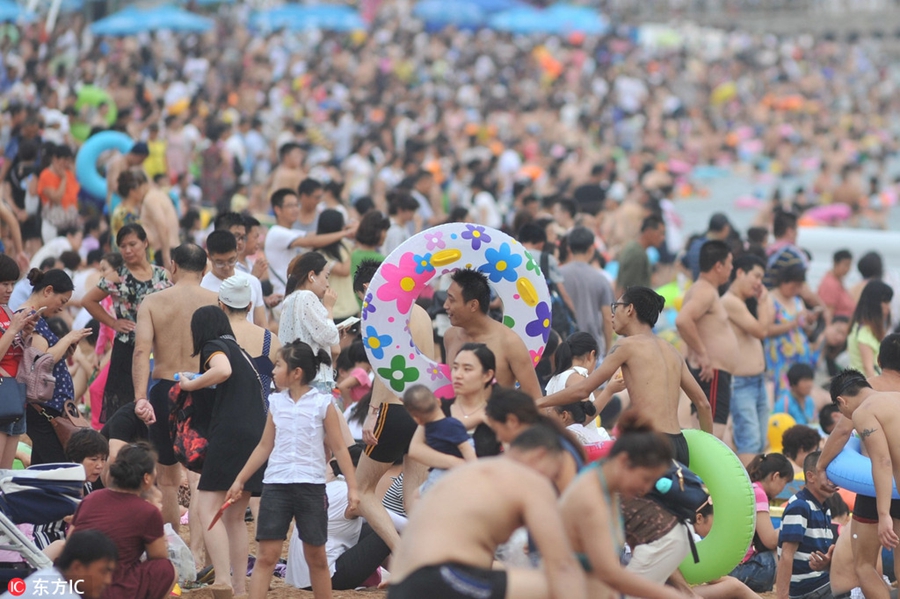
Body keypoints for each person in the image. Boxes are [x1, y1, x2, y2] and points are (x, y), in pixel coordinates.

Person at [386, 424, 588, 599]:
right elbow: (561, 566)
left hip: (402, 583)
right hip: (440, 579)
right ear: (541, 455)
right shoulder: (530, 480)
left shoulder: (472, 472)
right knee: (575, 583)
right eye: (558, 473)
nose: (554, 484)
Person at [225, 340, 359, 599]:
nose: (273, 371)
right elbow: (264, 446)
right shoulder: (276, 403)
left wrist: (353, 487)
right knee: (266, 556)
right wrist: (240, 479)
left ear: (296, 372)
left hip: (311, 487)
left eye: (278, 365)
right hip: (276, 486)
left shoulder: (322, 404)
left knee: (317, 557)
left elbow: (340, 449)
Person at [541, 286, 713, 465]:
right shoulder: (672, 351)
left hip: (650, 443)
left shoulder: (626, 346)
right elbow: (703, 404)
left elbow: (583, 390)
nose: (612, 315)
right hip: (679, 445)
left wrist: (539, 402)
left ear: (629, 309)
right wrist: (710, 450)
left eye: (615, 307)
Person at [179, 306, 267, 594]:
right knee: (234, 517)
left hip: (230, 434)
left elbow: (222, 370)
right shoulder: (239, 350)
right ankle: (240, 588)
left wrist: (191, 384)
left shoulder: (214, 346)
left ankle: (223, 579)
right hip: (255, 435)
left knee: (207, 508)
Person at [131, 243, 217, 529]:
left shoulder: (153, 302)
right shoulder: (217, 301)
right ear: (205, 270)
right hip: (205, 387)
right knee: (201, 477)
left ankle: (173, 547)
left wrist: (140, 397)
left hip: (165, 388)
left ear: (173, 266)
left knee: (167, 479)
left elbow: (141, 352)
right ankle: (199, 553)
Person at [349, 259, 433, 551]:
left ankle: (401, 553)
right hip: (423, 411)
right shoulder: (421, 312)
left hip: (393, 407)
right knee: (414, 499)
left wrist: (373, 413)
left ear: (365, 289)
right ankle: (424, 555)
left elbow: (387, 369)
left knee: (360, 492)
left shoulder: (382, 311)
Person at [557, 411, 686, 599]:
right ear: (624, 461)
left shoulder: (605, 483)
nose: (646, 488)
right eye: (646, 479)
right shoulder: (590, 498)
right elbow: (610, 574)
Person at [818, 337, 900, 599]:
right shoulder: (895, 399)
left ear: (842, 403)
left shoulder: (864, 411)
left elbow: (882, 461)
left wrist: (884, 513)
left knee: (864, 565)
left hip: (879, 490)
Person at [83, 224, 170, 423]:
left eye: (133, 244)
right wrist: (113, 323)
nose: (128, 250)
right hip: (127, 346)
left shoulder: (162, 275)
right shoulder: (118, 277)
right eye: (123, 246)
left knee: (156, 399)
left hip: (158, 346)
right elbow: (88, 300)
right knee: (123, 404)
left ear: (145, 243)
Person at [70, 442, 177, 599]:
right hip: (110, 590)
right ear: (147, 478)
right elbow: (159, 555)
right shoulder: (147, 511)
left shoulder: (90, 498)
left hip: (72, 585)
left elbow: (70, 541)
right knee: (166, 568)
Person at [22, 269, 92, 464]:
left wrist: (66, 351)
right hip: (41, 408)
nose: (62, 309)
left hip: (47, 407)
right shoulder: (30, 318)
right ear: (48, 291)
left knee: (42, 467)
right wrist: (68, 337)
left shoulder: (39, 319)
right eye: (62, 301)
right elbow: (42, 361)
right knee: (57, 465)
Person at [442, 269, 541, 398]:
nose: (445, 305)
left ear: (473, 305)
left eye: (452, 300)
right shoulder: (450, 336)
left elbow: (536, 399)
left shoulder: (510, 342)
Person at [676, 240, 738, 439]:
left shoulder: (704, 289)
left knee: (705, 433)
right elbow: (683, 320)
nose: (731, 269)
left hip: (714, 373)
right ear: (718, 266)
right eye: (729, 264)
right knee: (712, 437)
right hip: (712, 373)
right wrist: (703, 355)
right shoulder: (704, 290)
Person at [722, 253, 772, 464]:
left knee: (759, 441)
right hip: (741, 383)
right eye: (756, 277)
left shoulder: (742, 303)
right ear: (740, 273)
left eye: (762, 279)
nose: (759, 284)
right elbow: (762, 330)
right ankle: (750, 493)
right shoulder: (730, 302)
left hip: (756, 381)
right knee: (749, 442)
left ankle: (757, 490)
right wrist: (764, 300)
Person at [264, 188, 354, 297]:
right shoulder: (276, 232)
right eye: (290, 206)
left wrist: (340, 229)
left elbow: (314, 235)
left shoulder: (290, 232)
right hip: (282, 295)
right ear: (277, 209)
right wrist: (345, 233)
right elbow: (312, 241)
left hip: (290, 294)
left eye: (297, 205)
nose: (295, 209)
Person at [33, 428, 108, 551]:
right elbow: (42, 530)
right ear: (76, 459)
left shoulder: (87, 486)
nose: (99, 465)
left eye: (103, 459)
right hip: (46, 542)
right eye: (94, 459)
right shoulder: (61, 486)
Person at [775, 451, 837, 599]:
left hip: (820, 581)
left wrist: (828, 564)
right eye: (828, 475)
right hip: (807, 587)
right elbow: (786, 554)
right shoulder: (800, 506)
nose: (833, 481)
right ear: (810, 476)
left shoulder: (824, 508)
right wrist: (783, 596)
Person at [730, 453, 794, 593]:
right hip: (738, 570)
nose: (783, 488)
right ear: (775, 476)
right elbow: (770, 540)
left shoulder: (747, 487)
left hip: (727, 567)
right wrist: (792, 528)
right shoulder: (758, 493)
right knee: (786, 553)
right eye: (785, 482)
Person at [279, 252, 341, 391]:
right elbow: (329, 336)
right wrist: (329, 307)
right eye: (326, 277)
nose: (327, 284)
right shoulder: (307, 297)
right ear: (311, 275)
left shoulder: (290, 299)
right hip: (314, 380)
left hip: (298, 378)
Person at [544, 332, 616, 445]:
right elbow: (581, 420)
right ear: (591, 355)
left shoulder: (555, 378)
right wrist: (609, 390)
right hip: (582, 445)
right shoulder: (577, 377)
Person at [218, 275, 281, 403]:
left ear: (221, 306)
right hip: (261, 419)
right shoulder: (270, 340)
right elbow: (283, 387)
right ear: (250, 305)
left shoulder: (215, 339)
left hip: (223, 418)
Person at [0, 254, 38, 468]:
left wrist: (24, 334)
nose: (9, 289)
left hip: (15, 393)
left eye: (12, 283)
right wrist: (14, 328)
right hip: (3, 391)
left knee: (5, 474)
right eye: (4, 283)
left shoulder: (7, 310)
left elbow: (16, 352)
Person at [405, 384, 477, 493]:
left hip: (441, 472)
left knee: (420, 495)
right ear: (438, 402)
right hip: (448, 470)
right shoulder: (452, 424)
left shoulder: (429, 429)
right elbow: (465, 447)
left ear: (417, 419)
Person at [766, 264, 820, 399]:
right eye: (793, 286)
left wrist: (810, 321)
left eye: (798, 287)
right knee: (783, 391)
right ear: (784, 282)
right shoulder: (770, 299)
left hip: (800, 355)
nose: (795, 290)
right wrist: (793, 323)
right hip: (780, 356)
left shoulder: (797, 300)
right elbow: (766, 329)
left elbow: (803, 328)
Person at [559, 227, 614, 356]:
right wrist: (607, 350)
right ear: (591, 249)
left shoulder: (558, 276)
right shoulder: (601, 279)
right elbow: (607, 317)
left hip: (563, 346)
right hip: (591, 348)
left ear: (569, 249)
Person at [687, 502, 761, 599]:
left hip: (677, 588)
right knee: (735, 586)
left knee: (735, 585)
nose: (717, 527)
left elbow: (708, 576)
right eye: (716, 521)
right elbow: (707, 576)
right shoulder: (688, 536)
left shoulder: (692, 536)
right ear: (699, 518)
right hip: (668, 590)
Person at [18, 530, 118, 599]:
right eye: (103, 571)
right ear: (77, 567)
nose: (108, 580)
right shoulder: (63, 595)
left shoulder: (46, 576)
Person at [201, 230, 267, 326]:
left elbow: (262, 324)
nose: (226, 267)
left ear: (237, 252)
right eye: (220, 262)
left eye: (231, 260)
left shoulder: (252, 281)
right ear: (209, 257)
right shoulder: (202, 286)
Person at [314, 209, 358, 321]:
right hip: (335, 311)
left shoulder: (344, 245)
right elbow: (344, 270)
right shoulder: (320, 254)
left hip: (351, 308)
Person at [848, 280, 893, 378]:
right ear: (874, 304)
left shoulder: (859, 327)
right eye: (885, 302)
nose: (888, 308)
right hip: (867, 385)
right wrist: (877, 392)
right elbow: (868, 370)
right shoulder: (865, 332)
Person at [615, 215, 665, 296]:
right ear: (649, 231)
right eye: (660, 233)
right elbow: (628, 289)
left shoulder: (635, 249)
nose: (663, 238)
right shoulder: (636, 253)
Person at [139, 178, 180, 269]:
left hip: (164, 250)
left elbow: (162, 224)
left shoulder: (150, 199)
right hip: (171, 248)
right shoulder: (160, 195)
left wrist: (165, 256)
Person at [681, 213, 732, 282]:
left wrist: (693, 279)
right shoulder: (715, 249)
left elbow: (679, 263)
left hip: (697, 285)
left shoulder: (695, 244)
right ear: (725, 228)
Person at [105, 142, 149, 212]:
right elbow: (114, 186)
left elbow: (148, 181)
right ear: (135, 155)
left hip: (130, 202)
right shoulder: (117, 163)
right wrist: (134, 196)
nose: (141, 162)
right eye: (141, 160)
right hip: (116, 200)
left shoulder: (137, 166)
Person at [817, 249, 855, 323]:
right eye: (845, 265)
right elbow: (829, 311)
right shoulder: (830, 284)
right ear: (835, 263)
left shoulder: (838, 281)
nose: (847, 269)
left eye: (849, 265)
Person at [110, 169, 148, 243]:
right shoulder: (125, 213)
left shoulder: (123, 209)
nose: (142, 192)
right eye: (140, 188)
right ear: (132, 191)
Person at [349, 210, 389, 280]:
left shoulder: (352, 253)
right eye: (384, 231)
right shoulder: (380, 259)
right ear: (376, 231)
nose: (386, 235)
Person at [383, 190, 419, 257]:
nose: (413, 215)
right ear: (400, 210)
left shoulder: (403, 225)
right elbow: (394, 254)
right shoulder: (394, 230)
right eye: (411, 211)